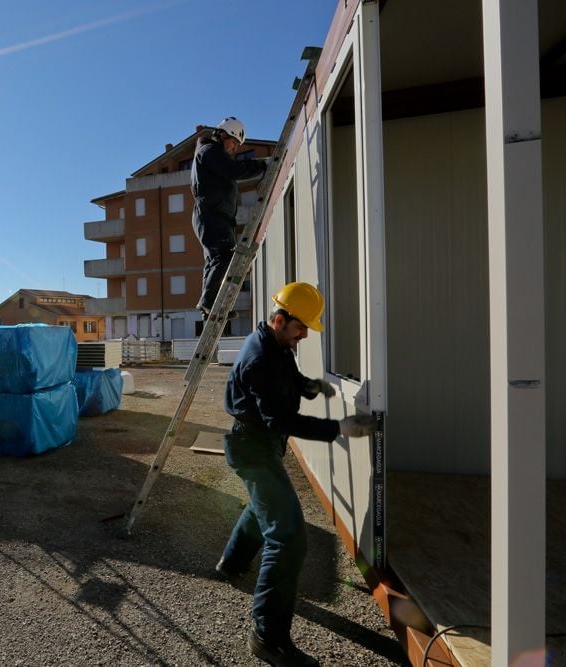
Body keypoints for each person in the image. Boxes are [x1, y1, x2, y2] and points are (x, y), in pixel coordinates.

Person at [217, 281, 376, 667]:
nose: (305, 334)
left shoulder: (275, 344)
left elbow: (287, 380)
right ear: (280, 319)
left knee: (262, 509)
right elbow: (279, 420)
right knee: (287, 537)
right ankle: (266, 637)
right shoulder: (261, 359)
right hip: (254, 449)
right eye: (301, 327)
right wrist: (339, 428)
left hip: (258, 446)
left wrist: (312, 387)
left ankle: (232, 564)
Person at [192, 116, 268, 317]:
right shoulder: (210, 151)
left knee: (214, 261)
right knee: (223, 257)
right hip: (212, 213)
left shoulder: (212, 153)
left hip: (215, 214)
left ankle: (210, 306)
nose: (235, 148)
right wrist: (262, 166)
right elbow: (232, 170)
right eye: (234, 143)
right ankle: (209, 302)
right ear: (223, 135)